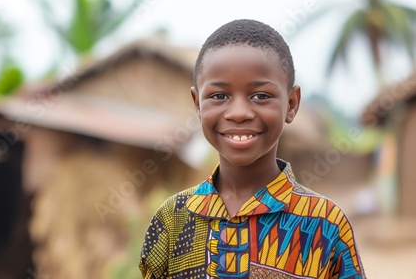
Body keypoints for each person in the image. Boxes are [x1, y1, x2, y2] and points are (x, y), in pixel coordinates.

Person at [138, 19, 366, 279]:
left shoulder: (325, 224)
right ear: (197, 104)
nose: (239, 113)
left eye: (260, 96)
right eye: (219, 96)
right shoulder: (172, 218)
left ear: (291, 104)